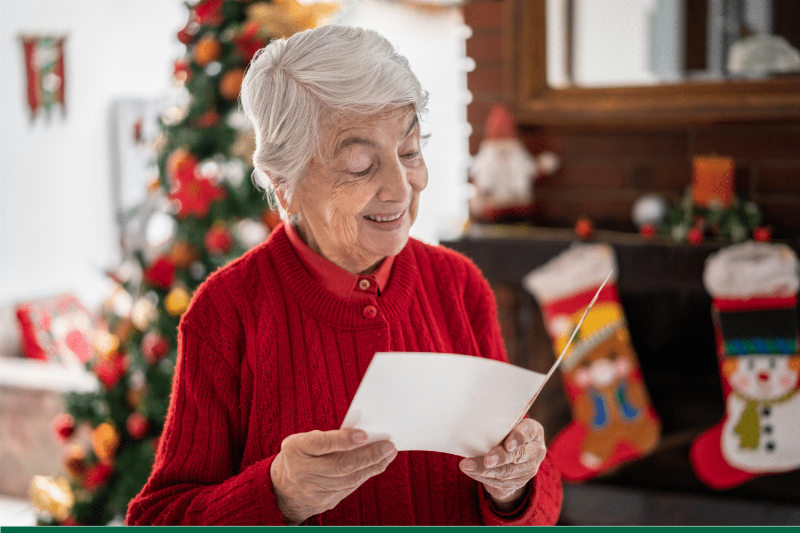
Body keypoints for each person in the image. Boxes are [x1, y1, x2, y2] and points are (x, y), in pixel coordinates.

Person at [126, 24, 562, 526]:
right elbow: (156, 519)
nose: (400, 190)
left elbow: (538, 500)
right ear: (283, 184)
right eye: (359, 165)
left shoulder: (458, 286)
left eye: (409, 152)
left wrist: (515, 487)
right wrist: (276, 495)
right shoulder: (226, 312)